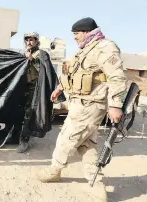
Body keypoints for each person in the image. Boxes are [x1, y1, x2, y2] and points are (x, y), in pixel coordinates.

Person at [37, 17, 127, 201]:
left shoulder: (106, 48)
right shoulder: (85, 49)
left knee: (66, 138)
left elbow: (117, 78)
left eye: (76, 34)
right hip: (79, 103)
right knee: (86, 144)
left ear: (86, 31)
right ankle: (96, 183)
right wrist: (60, 88)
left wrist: (116, 105)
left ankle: (55, 169)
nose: (75, 38)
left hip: (91, 105)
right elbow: (71, 71)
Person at [14, 32, 63, 153]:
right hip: (22, 88)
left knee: (28, 114)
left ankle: (24, 140)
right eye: (27, 40)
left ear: (37, 41)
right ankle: (17, 136)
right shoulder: (22, 53)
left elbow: (44, 71)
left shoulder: (41, 54)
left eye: (32, 40)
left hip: (35, 90)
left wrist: (31, 59)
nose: (29, 42)